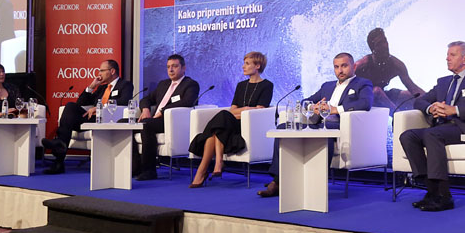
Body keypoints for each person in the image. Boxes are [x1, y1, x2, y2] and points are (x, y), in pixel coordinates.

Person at [258, 52, 373, 197]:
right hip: (318, 123)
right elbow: (306, 101)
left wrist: (336, 109)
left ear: (354, 66)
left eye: (344, 66)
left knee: (325, 132)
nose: (340, 70)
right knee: (283, 127)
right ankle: (278, 180)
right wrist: (313, 107)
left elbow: (365, 103)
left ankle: (316, 186)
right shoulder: (327, 86)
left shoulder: (362, 83)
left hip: (339, 126)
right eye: (336, 67)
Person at [399, 41, 465, 212]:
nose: (447, 58)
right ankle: (431, 190)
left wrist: (454, 110)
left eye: (452, 55)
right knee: (408, 136)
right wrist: (431, 108)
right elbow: (420, 101)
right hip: (441, 127)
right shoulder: (443, 82)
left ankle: (444, 196)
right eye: (447, 55)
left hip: (462, 128)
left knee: (432, 134)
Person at [188, 52, 273, 188]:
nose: (243, 66)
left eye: (247, 63)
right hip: (231, 122)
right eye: (244, 63)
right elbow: (232, 110)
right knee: (220, 123)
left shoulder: (267, 85)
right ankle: (216, 163)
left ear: (257, 66)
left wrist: (242, 112)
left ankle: (203, 170)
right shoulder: (241, 85)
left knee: (220, 121)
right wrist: (245, 109)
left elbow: (259, 110)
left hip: (247, 126)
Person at [42, 59, 133, 175]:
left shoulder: (125, 85)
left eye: (102, 70)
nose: (99, 73)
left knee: (69, 120)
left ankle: (58, 159)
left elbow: (123, 102)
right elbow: (81, 103)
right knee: (70, 106)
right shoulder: (102, 88)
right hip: (93, 119)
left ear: (112, 71)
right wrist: (92, 86)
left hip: (108, 119)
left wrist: (100, 107)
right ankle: (60, 146)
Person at [136, 54, 200, 181]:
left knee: (146, 125)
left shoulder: (190, 84)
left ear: (183, 68)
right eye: (168, 67)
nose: (170, 70)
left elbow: (188, 101)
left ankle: (149, 171)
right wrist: (146, 109)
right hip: (153, 119)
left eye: (174, 66)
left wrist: (163, 111)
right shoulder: (163, 84)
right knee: (124, 123)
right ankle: (135, 167)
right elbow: (146, 99)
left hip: (172, 122)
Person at [354, 28, 425, 113]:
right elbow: (344, 83)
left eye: (385, 41)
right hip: (362, 99)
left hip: (382, 97)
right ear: (373, 49)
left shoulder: (396, 65)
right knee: (377, 91)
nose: (385, 46)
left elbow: (413, 88)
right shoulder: (362, 65)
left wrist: (432, 100)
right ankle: (398, 116)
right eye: (379, 44)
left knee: (410, 96)